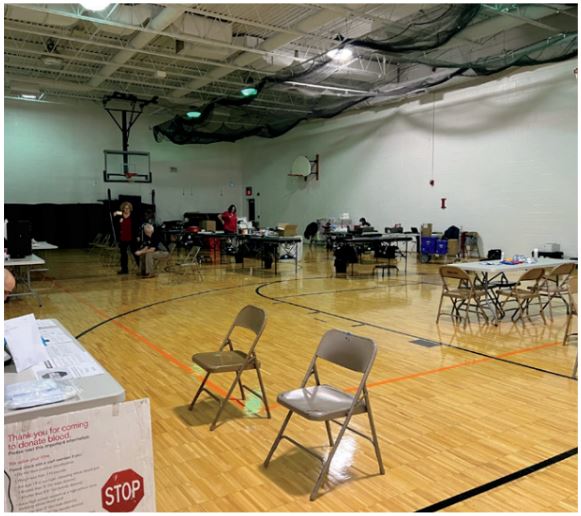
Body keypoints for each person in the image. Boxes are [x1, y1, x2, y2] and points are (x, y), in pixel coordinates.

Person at [113, 201, 140, 275]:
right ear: (123, 209)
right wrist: (119, 214)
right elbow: (114, 214)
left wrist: (137, 236)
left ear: (130, 209)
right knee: (123, 255)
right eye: (125, 208)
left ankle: (141, 268)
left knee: (135, 253)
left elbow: (136, 227)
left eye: (128, 208)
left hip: (132, 237)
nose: (126, 209)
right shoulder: (120, 216)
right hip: (123, 238)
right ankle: (124, 269)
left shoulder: (133, 216)